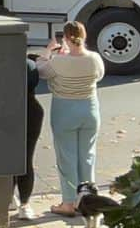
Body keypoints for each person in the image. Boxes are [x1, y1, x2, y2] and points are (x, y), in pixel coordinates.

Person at [36, 21, 105, 217]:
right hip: (90, 108)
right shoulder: (94, 58)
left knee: (67, 157)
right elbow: (99, 76)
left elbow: (41, 70)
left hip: (64, 109)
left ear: (65, 38)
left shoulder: (58, 61)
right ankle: (88, 198)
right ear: (84, 37)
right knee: (87, 156)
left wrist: (49, 51)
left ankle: (69, 202)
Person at [13, 57, 45, 220]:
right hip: (31, 110)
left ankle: (8, 198)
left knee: (5, 157)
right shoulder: (29, 65)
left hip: (6, 110)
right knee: (26, 158)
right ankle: (24, 204)